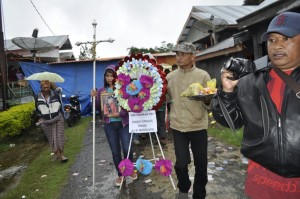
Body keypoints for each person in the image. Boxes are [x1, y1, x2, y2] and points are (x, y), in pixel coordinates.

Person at [211, 12, 300, 199]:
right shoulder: (251, 80)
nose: (278, 45)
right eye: (272, 40)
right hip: (261, 180)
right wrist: (227, 92)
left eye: (286, 38)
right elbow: (231, 122)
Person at [166, 42, 211, 199]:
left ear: (193, 56)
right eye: (177, 54)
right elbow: (166, 99)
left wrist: (206, 100)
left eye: (183, 54)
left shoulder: (203, 75)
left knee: (201, 165)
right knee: (180, 164)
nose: (179, 57)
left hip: (198, 126)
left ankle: (199, 194)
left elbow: (210, 104)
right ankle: (183, 188)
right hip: (178, 126)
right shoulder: (170, 77)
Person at [91, 65, 137, 186]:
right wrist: (94, 97)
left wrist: (119, 113)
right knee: (115, 151)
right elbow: (97, 108)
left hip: (124, 123)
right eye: (107, 75)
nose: (110, 78)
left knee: (127, 148)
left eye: (112, 75)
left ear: (117, 76)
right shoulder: (101, 90)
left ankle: (130, 169)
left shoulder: (125, 89)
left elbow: (129, 105)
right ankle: (120, 174)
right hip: (109, 125)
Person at [35, 80, 68, 163]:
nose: (46, 89)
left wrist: (63, 117)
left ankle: (62, 155)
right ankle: (57, 154)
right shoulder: (38, 97)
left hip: (58, 118)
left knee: (59, 137)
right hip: (46, 121)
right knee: (52, 139)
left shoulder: (55, 95)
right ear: (41, 88)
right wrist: (40, 117)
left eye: (48, 87)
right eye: (44, 87)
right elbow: (37, 109)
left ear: (50, 87)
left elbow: (60, 106)